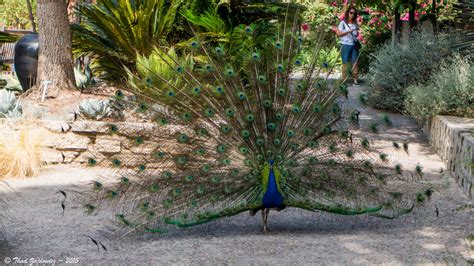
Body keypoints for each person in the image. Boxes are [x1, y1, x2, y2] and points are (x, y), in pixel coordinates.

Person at [335, 6, 361, 86]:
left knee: (355, 63)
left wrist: (356, 32)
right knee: (344, 63)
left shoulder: (355, 24)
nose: (352, 15)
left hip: (353, 45)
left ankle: (355, 81)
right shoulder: (343, 23)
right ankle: (343, 82)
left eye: (354, 13)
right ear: (348, 13)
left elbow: (356, 34)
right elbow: (338, 34)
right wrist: (348, 31)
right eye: (351, 13)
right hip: (345, 45)